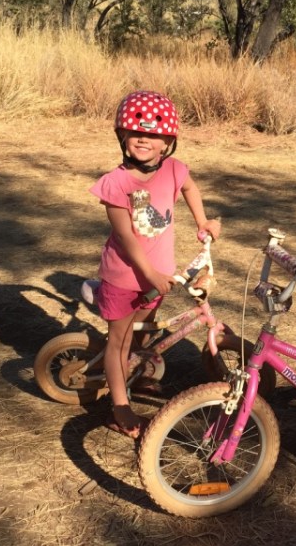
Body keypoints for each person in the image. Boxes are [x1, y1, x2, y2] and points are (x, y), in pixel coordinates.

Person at [89, 90, 221, 438]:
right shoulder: (115, 184)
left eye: (152, 134)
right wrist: (149, 274)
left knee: (138, 335)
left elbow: (190, 189)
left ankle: (133, 369)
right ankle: (119, 407)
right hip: (124, 275)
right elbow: (126, 239)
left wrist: (202, 221)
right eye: (136, 133)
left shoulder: (175, 170)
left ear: (168, 142)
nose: (143, 139)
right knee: (118, 342)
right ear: (122, 137)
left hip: (159, 275)